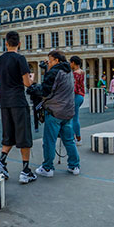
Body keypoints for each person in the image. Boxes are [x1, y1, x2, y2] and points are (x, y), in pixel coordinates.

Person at [0, 31, 36, 184]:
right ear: (19, 43)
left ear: (6, 43)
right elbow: (26, 83)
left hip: (4, 102)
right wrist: (32, 78)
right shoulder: (20, 59)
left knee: (8, 134)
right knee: (23, 136)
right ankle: (25, 171)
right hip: (18, 101)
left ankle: (1, 162)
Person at [34, 50, 81, 178]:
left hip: (55, 111)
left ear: (56, 60)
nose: (48, 62)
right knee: (69, 140)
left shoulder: (55, 72)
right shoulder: (68, 71)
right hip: (68, 111)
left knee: (49, 141)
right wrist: (47, 69)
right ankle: (74, 165)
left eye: (50, 60)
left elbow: (46, 90)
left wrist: (32, 87)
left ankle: (47, 168)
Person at [70, 56, 85, 144]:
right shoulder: (82, 72)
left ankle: (76, 138)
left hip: (76, 96)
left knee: (73, 118)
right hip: (81, 96)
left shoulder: (75, 74)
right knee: (75, 117)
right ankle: (77, 137)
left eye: (70, 62)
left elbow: (74, 88)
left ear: (73, 63)